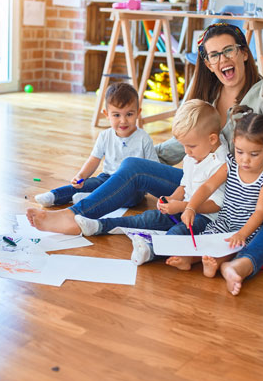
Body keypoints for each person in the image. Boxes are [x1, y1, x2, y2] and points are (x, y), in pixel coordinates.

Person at [26, 23, 263, 295]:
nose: (222, 58)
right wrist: (140, 155)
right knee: (133, 166)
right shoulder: (208, 102)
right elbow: (177, 147)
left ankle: (243, 263)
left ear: (243, 54)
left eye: (229, 50)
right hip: (209, 188)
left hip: (256, 196)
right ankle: (77, 216)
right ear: (209, 64)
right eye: (214, 54)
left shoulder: (260, 95)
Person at [74, 99, 228, 265]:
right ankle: (101, 225)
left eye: (190, 146)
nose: (186, 152)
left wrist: (183, 206)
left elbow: (216, 205)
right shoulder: (194, 154)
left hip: (206, 218)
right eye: (183, 146)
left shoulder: (221, 163)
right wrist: (172, 199)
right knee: (147, 218)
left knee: (178, 233)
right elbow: (184, 185)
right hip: (183, 208)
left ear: (212, 139)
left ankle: (151, 250)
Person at [180, 106, 263, 291]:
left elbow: (260, 212)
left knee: (231, 250)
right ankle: (189, 260)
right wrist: (191, 207)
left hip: (247, 230)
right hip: (224, 222)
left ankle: (217, 265)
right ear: (234, 144)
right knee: (205, 242)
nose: (245, 160)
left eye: (254, 154)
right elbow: (208, 186)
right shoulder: (230, 165)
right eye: (239, 151)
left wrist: (242, 234)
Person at [34, 82, 158, 208]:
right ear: (106, 114)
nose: (123, 120)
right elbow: (94, 160)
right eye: (116, 115)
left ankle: (90, 198)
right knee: (87, 184)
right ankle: (54, 196)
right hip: (107, 178)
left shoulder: (143, 138)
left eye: (129, 114)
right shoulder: (105, 136)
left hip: (133, 185)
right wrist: (81, 175)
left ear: (138, 112)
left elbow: (154, 168)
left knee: (132, 198)